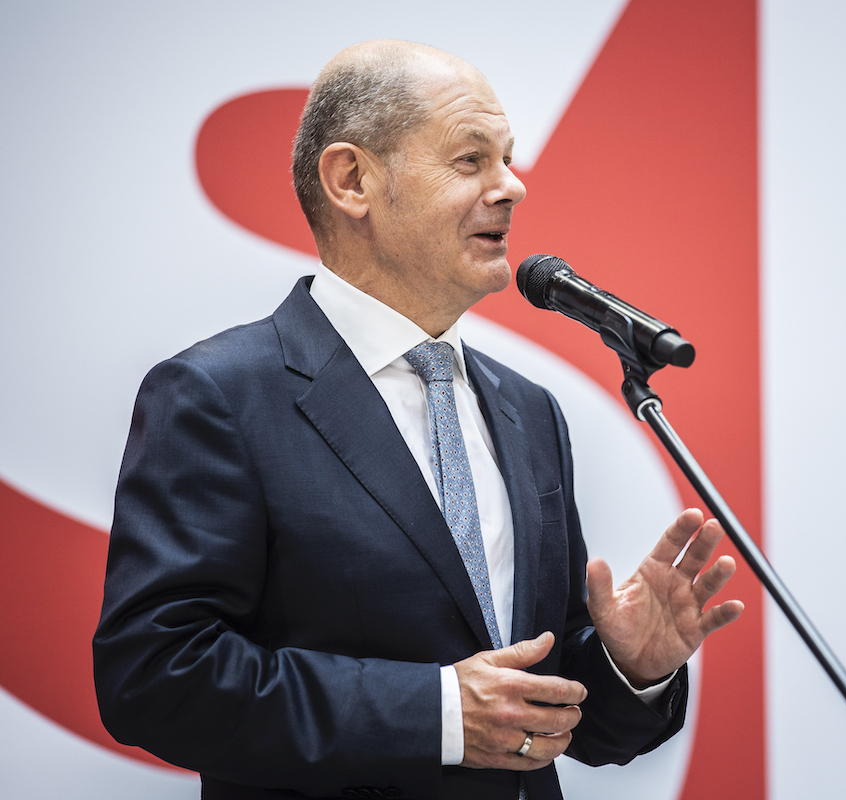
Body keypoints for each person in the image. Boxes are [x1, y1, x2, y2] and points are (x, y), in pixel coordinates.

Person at [93, 40, 742, 800]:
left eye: (509, 159)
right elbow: (157, 676)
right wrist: (435, 713)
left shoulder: (529, 411)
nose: (514, 187)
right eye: (471, 160)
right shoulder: (218, 397)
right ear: (353, 179)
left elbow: (540, 708)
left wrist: (628, 669)